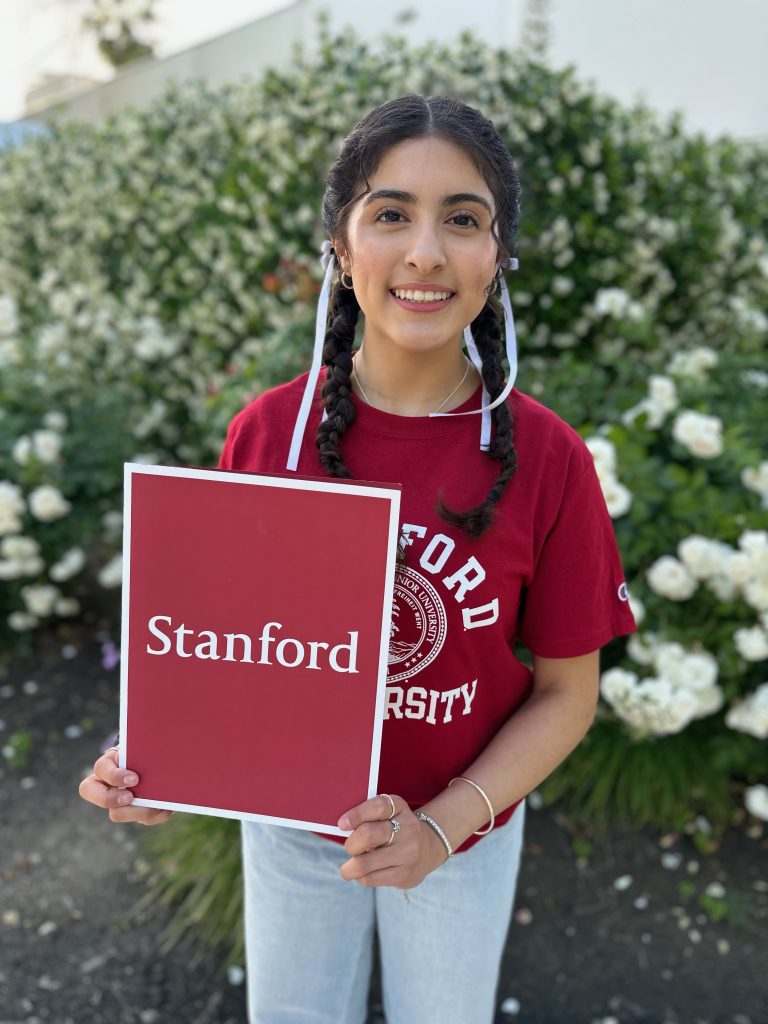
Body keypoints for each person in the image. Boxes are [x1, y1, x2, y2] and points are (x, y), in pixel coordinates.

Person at [79, 94, 637, 1023]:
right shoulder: (266, 434)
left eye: (463, 219)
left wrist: (441, 826)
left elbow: (567, 692)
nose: (425, 252)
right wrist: (152, 760)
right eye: (390, 214)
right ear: (340, 245)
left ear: (499, 255)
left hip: (462, 828)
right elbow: (227, 651)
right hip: (294, 831)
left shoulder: (547, 457)